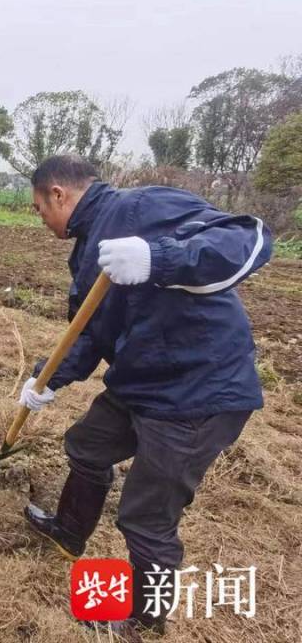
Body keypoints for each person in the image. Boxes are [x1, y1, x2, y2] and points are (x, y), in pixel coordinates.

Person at [18, 155, 272, 639]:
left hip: (197, 391)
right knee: (87, 444)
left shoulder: (142, 207)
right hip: (144, 380)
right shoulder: (88, 249)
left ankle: (142, 618)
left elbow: (251, 238)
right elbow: (88, 333)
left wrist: (160, 260)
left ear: (58, 194)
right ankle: (70, 532)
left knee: (146, 515)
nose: (40, 218)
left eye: (37, 208)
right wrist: (47, 380)